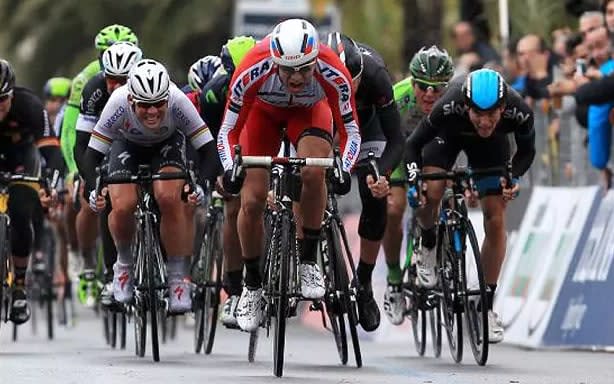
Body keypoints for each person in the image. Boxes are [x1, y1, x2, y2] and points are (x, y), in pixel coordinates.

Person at [217, 19, 361, 332]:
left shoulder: (334, 70)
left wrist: (344, 168)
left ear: (315, 61)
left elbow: (350, 131)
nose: (296, 78)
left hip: (309, 112)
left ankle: (308, 260)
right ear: (274, 61)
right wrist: (231, 168)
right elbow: (227, 130)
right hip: (262, 114)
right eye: (288, 70)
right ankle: (253, 285)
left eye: (305, 70)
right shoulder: (252, 68)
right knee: (252, 199)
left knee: (314, 170)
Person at [405, 68, 536, 343]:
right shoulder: (449, 105)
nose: (485, 121)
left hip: (489, 149)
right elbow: (414, 145)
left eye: (492, 114)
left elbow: (526, 153)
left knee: (496, 218)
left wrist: (513, 177)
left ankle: (485, 306)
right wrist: (416, 180)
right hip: (447, 138)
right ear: (466, 106)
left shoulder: (519, 111)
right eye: (478, 113)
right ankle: (428, 242)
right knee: (435, 189)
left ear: (503, 107)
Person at [82, 59, 219, 313]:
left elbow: (209, 150)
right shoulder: (118, 103)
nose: (153, 111)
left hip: (166, 146)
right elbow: (91, 156)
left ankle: (177, 278)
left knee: (169, 197)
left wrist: (200, 186)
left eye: (159, 104)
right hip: (128, 147)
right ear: (132, 100)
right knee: (122, 205)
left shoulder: (179, 101)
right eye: (145, 105)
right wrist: (94, 189)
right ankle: (123, 265)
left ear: (167, 98)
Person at [325, 32, 402, 332]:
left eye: (353, 83)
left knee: (374, 191)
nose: (348, 90)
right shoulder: (310, 76)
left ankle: (365, 283)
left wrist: (383, 174)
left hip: (367, 128)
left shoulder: (376, 76)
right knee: (310, 177)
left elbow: (396, 139)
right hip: (324, 123)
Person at [381, 46, 455, 325]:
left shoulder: (455, 101)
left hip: (435, 149)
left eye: (438, 89)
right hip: (400, 151)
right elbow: (384, 140)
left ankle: (433, 248)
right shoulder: (398, 98)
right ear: (412, 83)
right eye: (422, 86)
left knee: (440, 193)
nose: (429, 94)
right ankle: (395, 281)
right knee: (394, 208)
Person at [60, 24, 138, 283]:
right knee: (93, 195)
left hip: (138, 141)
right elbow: (73, 132)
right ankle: (90, 263)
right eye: (106, 52)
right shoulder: (88, 81)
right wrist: (76, 170)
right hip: (100, 139)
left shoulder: (148, 77)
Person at [73, 42, 143, 306]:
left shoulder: (153, 84)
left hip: (147, 143)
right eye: (110, 79)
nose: (115, 86)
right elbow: (81, 144)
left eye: (122, 80)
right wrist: (93, 185)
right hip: (107, 145)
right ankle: (111, 272)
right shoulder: (94, 90)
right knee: (107, 197)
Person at [199, 35, 257, 327]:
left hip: (260, 138)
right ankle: (234, 290)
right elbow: (208, 140)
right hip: (227, 143)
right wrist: (220, 175)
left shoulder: (268, 82)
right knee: (234, 209)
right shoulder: (214, 94)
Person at [0, 59, 64, 324]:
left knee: (22, 210)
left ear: (12, 94)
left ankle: (20, 287)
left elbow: (50, 148)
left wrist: (52, 184)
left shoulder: (30, 106)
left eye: (2, 99)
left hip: (21, 157)